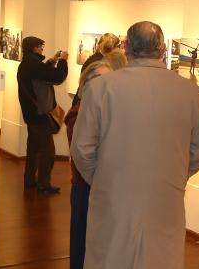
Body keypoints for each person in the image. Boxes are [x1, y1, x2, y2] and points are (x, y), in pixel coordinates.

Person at [71, 21, 199, 268]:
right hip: (165, 201)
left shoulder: (101, 88)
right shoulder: (190, 93)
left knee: (110, 258)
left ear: (125, 47)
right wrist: (173, 176)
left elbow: (82, 149)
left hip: (113, 201)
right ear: (163, 50)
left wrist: (104, 180)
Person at [64, 50, 126, 269]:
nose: (107, 85)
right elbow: (84, 156)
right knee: (83, 246)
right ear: (86, 84)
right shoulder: (78, 114)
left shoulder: (109, 112)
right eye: (101, 79)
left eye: (110, 79)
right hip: (86, 190)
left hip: (105, 190)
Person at [17, 36, 68, 194]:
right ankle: (44, 184)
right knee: (47, 150)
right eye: (40, 46)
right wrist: (63, 61)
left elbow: (41, 75)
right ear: (34, 48)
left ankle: (30, 179)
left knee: (33, 148)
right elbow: (57, 77)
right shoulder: (33, 65)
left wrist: (52, 61)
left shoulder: (26, 64)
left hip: (31, 113)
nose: (42, 49)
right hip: (40, 114)